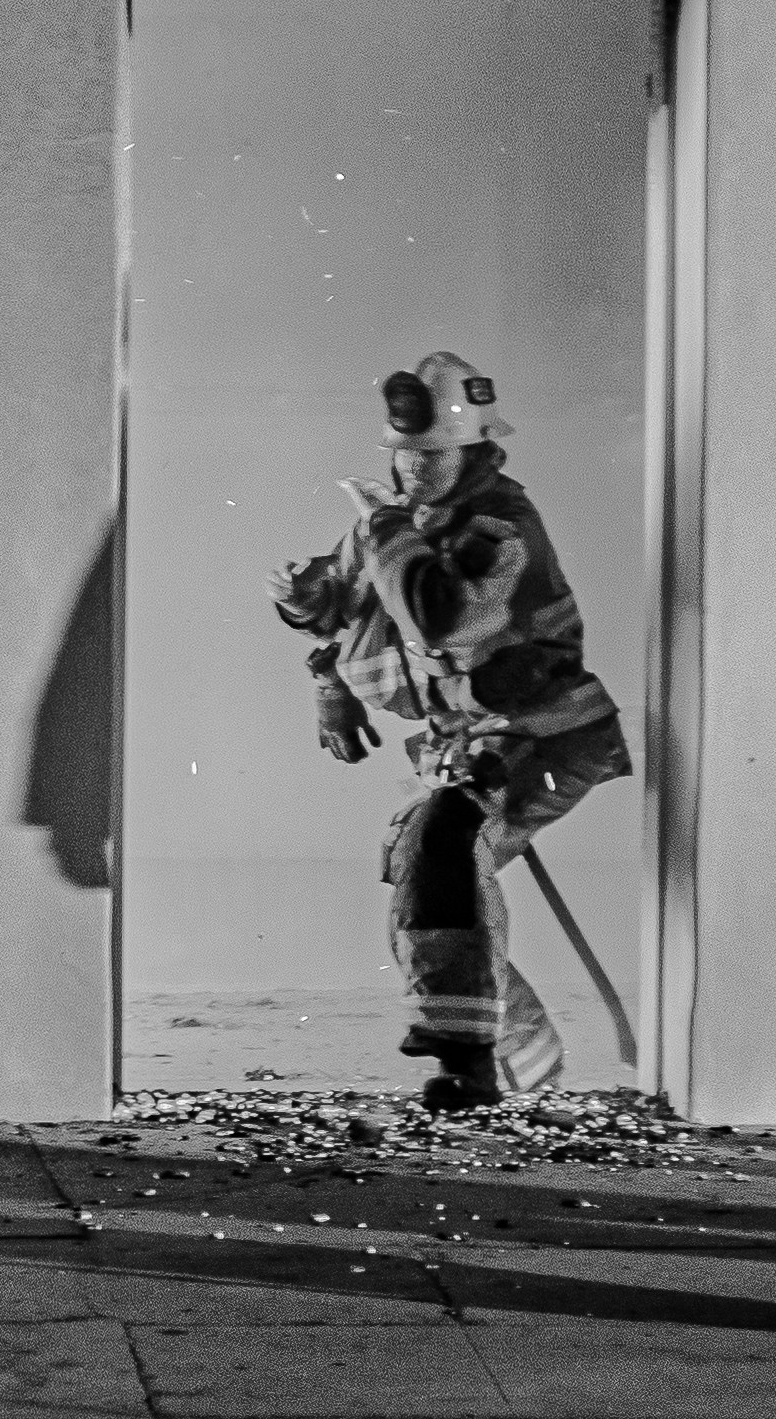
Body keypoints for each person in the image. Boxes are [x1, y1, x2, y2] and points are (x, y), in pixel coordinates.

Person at [270, 352, 632, 1105]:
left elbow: (442, 613)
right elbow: (338, 602)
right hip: (467, 742)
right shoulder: (397, 524)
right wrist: (313, 633)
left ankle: (467, 1064)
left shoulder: (503, 526)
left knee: (445, 843)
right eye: (403, 451)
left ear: (472, 449)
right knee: (427, 868)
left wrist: (385, 528)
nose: (413, 467)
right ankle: (519, 1058)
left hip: (548, 737)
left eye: (432, 453)